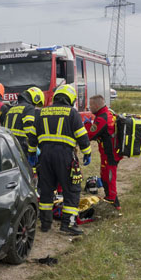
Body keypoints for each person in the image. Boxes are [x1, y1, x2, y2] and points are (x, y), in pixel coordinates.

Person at [36, 84, 92, 235]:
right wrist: (87, 152)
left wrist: (32, 153)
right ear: (70, 99)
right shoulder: (72, 113)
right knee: (72, 189)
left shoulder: (42, 112)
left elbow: (33, 135)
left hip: (45, 155)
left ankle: (45, 224)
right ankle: (68, 224)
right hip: (65, 155)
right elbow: (81, 135)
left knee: (46, 190)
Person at [85, 94, 122, 210]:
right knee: (105, 176)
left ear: (96, 105)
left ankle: (113, 203)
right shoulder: (107, 113)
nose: (89, 107)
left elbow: (90, 135)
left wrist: (86, 124)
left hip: (110, 154)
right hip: (109, 152)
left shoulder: (102, 119)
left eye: (91, 105)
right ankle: (110, 199)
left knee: (109, 178)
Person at [3, 86, 43, 164]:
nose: (35, 107)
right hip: (22, 149)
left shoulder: (11, 109)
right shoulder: (29, 108)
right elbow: (30, 131)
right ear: (36, 98)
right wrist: (34, 150)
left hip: (9, 148)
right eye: (37, 104)